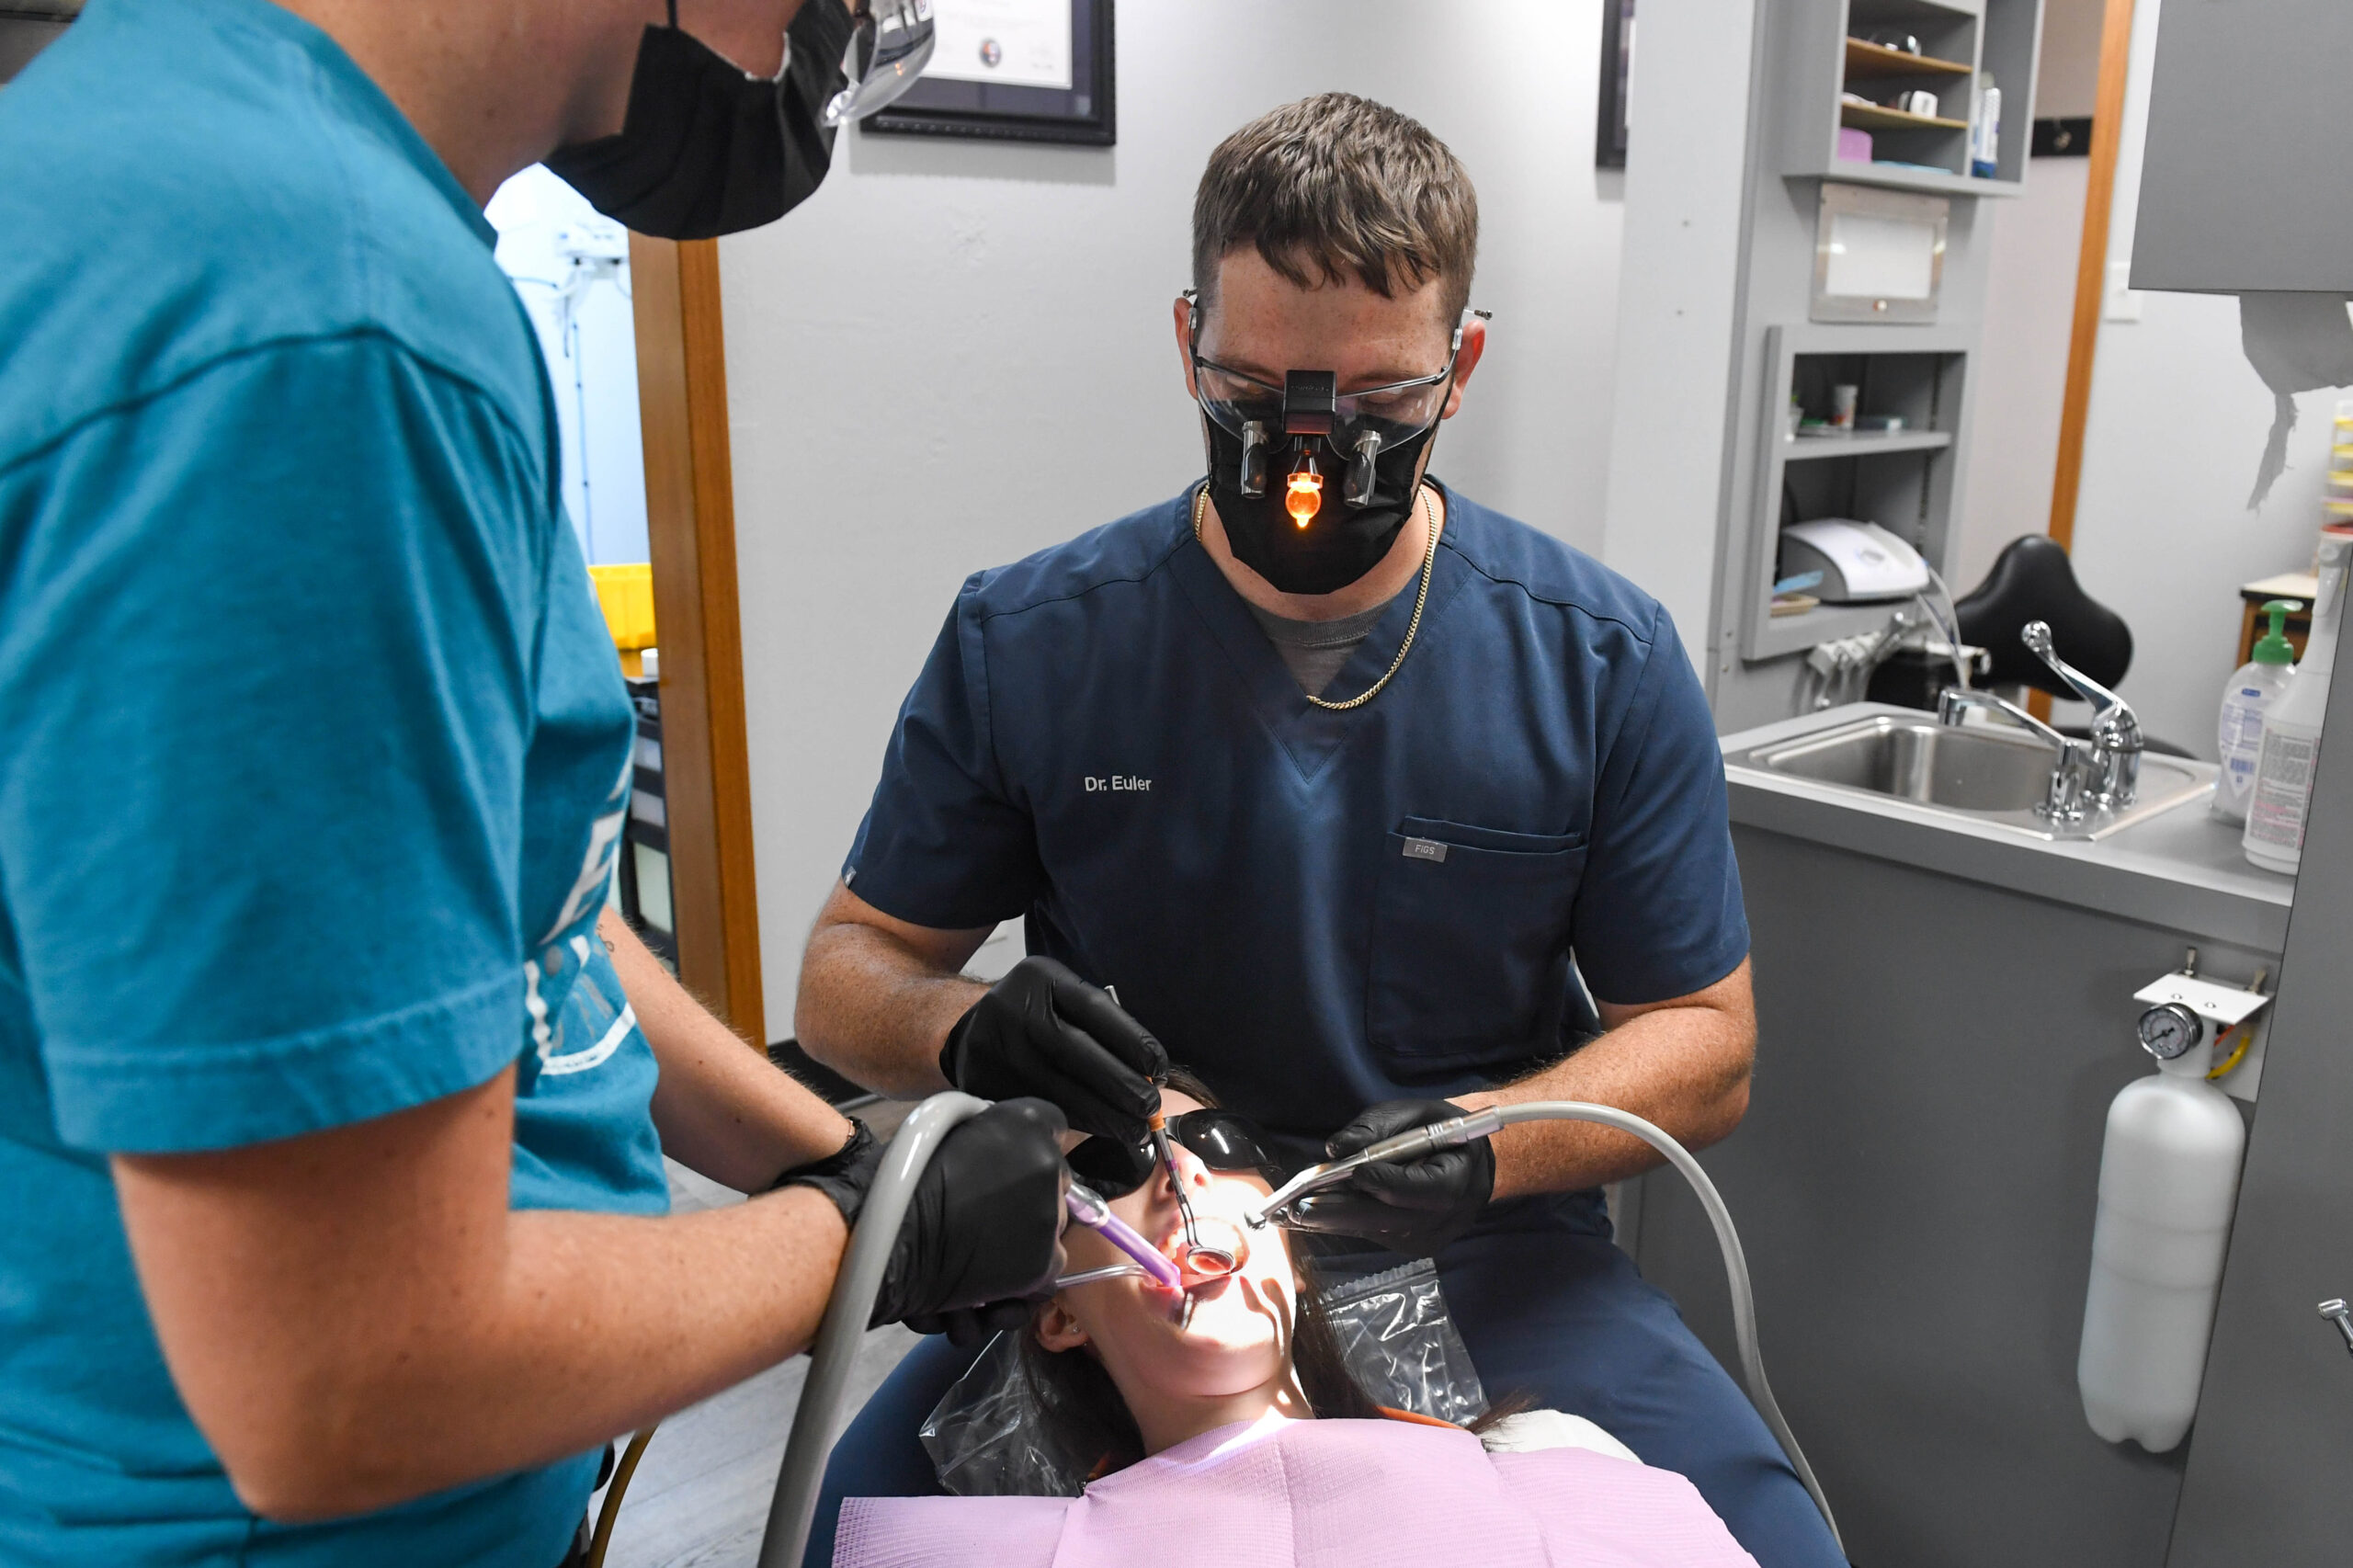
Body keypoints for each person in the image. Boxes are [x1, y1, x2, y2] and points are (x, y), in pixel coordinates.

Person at [0, 3, 1080, 1564]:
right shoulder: (314, 324)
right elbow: (349, 1373)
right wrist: (866, 1242)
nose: (814, 33)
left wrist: (834, 1151)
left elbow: (513, 909)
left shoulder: (229, 173)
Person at [795, 93, 1846, 1568]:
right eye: (1259, 386)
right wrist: (964, 1030)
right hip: (1129, 1260)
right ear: (1184, 344)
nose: (1307, 454)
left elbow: (1708, 1042)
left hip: (1478, 1252)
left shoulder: (1596, 660)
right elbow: (844, 976)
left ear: (1461, 366)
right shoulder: (1034, 642)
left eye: (1373, 405)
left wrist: (1489, 1144)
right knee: (852, 1532)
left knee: (1768, 1546)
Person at [833, 1082, 1761, 1568]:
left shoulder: (1553, 1461)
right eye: (1113, 1166)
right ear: (1057, 1314)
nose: (1178, 1176)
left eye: (1214, 1144)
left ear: (1290, 1247)